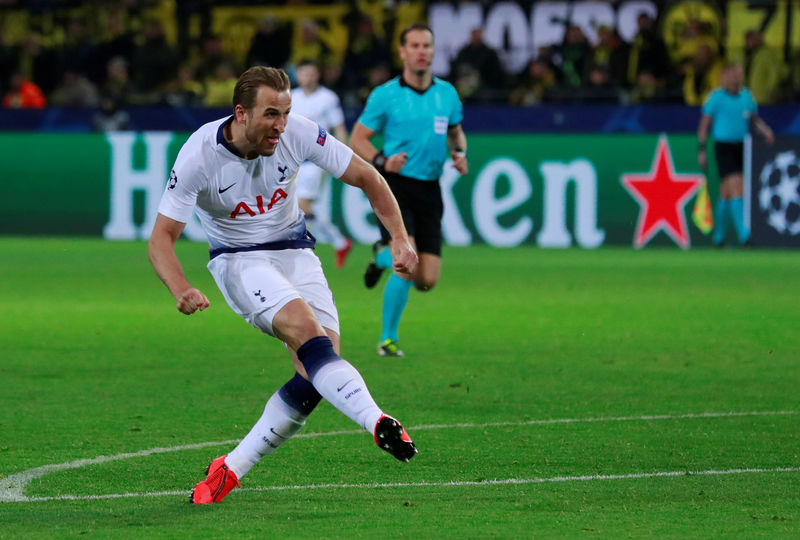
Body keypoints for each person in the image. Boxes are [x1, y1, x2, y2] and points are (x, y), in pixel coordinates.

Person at [148, 66, 419, 505]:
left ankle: (230, 469)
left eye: (286, 112)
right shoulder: (199, 154)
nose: (281, 124)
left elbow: (368, 177)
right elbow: (161, 239)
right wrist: (180, 287)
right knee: (309, 338)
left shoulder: (297, 133)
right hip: (239, 261)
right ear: (241, 113)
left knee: (315, 373)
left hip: (296, 252)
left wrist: (400, 238)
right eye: (271, 114)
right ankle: (378, 421)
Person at [349, 23, 468, 357]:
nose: (421, 51)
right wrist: (383, 161)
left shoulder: (447, 93)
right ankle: (388, 340)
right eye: (414, 45)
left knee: (427, 280)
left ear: (433, 51)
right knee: (408, 263)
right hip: (395, 187)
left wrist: (461, 153)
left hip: (430, 189)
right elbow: (357, 139)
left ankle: (381, 256)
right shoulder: (385, 95)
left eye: (426, 45)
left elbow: (457, 133)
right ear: (402, 52)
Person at [697, 62, 774, 247]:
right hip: (723, 146)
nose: (736, 77)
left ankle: (718, 238)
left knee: (726, 193)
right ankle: (744, 236)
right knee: (738, 186)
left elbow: (754, 118)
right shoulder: (716, 97)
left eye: (739, 74)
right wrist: (701, 149)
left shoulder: (746, 96)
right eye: (733, 74)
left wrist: (766, 131)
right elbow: (704, 125)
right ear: (725, 76)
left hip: (742, 147)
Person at [291, 59, 353, 267]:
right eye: (303, 73)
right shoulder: (291, 97)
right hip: (295, 158)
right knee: (296, 207)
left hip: (317, 159)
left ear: (317, 75)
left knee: (302, 205)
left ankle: (306, 246)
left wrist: (341, 156)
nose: (307, 77)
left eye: (310, 73)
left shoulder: (328, 98)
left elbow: (339, 128)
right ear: (297, 75)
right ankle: (339, 242)